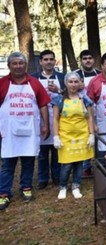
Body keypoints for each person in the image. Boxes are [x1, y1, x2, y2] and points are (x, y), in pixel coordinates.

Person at [0, 52, 50, 210]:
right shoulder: (2, 83)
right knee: (8, 163)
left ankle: (26, 187)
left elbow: (43, 105)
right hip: (8, 131)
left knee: (28, 161)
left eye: (21, 63)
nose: (18, 66)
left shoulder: (34, 83)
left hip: (30, 129)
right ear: (9, 66)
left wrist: (46, 125)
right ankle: (4, 193)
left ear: (25, 65)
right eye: (14, 63)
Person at [52, 72, 95, 199]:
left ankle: (76, 185)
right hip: (66, 136)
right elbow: (55, 119)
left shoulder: (85, 99)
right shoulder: (59, 99)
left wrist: (91, 134)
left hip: (82, 135)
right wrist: (56, 136)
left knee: (79, 163)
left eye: (76, 81)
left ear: (80, 83)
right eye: (70, 81)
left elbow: (89, 118)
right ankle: (63, 186)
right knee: (67, 164)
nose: (73, 84)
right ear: (65, 83)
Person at [31, 49, 65, 189]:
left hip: (59, 118)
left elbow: (70, 96)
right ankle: (43, 179)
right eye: (45, 59)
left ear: (55, 61)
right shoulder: (33, 78)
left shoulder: (62, 77)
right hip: (40, 119)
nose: (49, 62)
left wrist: (59, 91)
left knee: (57, 150)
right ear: (40, 62)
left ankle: (57, 177)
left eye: (51, 59)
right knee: (42, 153)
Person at [75, 49, 100, 177]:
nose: (88, 60)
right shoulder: (75, 75)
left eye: (90, 58)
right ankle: (86, 167)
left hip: (99, 110)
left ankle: (100, 164)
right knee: (85, 138)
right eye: (85, 59)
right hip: (82, 112)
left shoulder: (100, 74)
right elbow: (67, 91)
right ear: (81, 60)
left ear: (93, 60)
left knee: (99, 138)